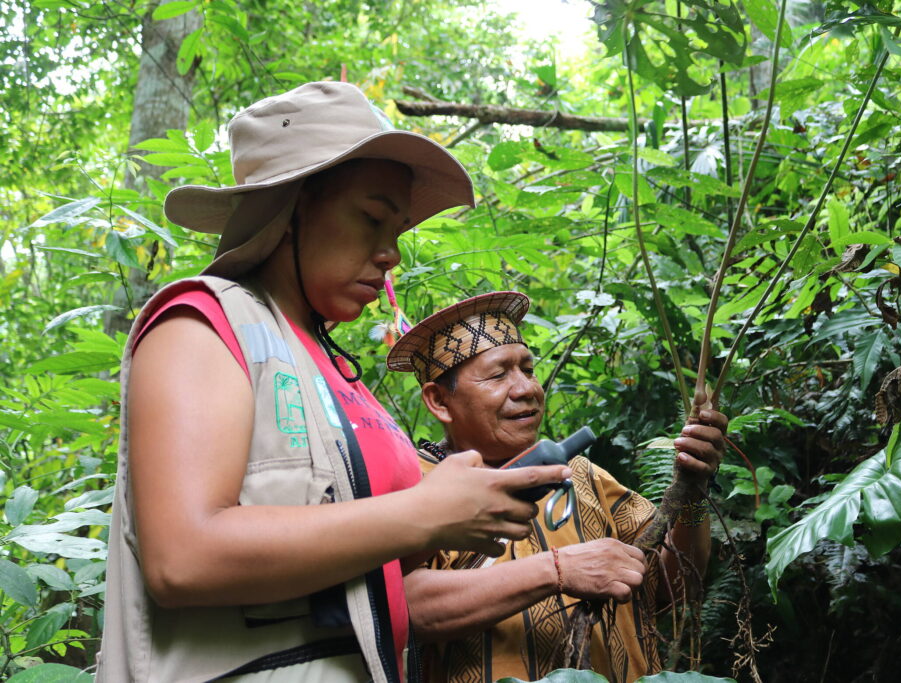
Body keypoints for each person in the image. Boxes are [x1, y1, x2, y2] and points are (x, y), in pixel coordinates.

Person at [97, 83, 573, 683]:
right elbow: (184, 558)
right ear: (290, 209)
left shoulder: (335, 367)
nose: (391, 253)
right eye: (372, 217)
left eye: (397, 228)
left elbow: (365, 575)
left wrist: (460, 511)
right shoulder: (205, 324)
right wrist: (424, 512)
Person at [386, 291, 729, 683]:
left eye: (528, 370)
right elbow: (396, 606)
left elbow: (676, 586)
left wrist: (693, 492)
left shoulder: (582, 476)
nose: (526, 389)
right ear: (439, 401)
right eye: (498, 375)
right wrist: (557, 570)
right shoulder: (411, 486)